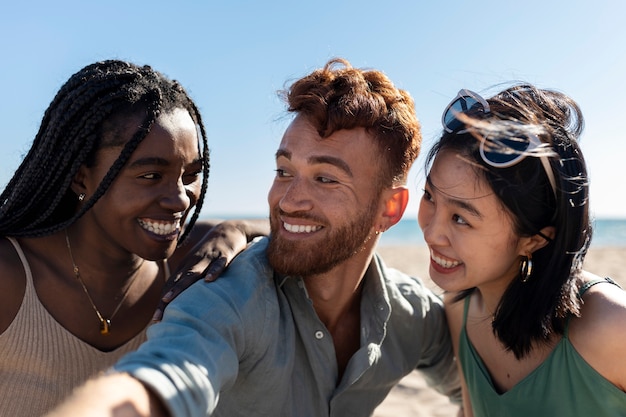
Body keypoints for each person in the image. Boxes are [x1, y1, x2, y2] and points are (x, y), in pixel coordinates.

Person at [46, 58, 461, 417]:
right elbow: (164, 377)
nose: (289, 200)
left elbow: (474, 383)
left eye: (325, 178)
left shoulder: (414, 316)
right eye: (284, 171)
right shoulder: (226, 295)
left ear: (390, 209)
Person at [0, 59, 267, 416]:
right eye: (151, 175)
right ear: (81, 178)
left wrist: (236, 229)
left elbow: (285, 236)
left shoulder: (190, 256)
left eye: (190, 175)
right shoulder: (10, 276)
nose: (180, 199)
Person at [417, 85, 626, 416]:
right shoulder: (460, 310)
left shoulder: (612, 327)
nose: (430, 232)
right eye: (430, 197)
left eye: (460, 219)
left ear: (535, 239)